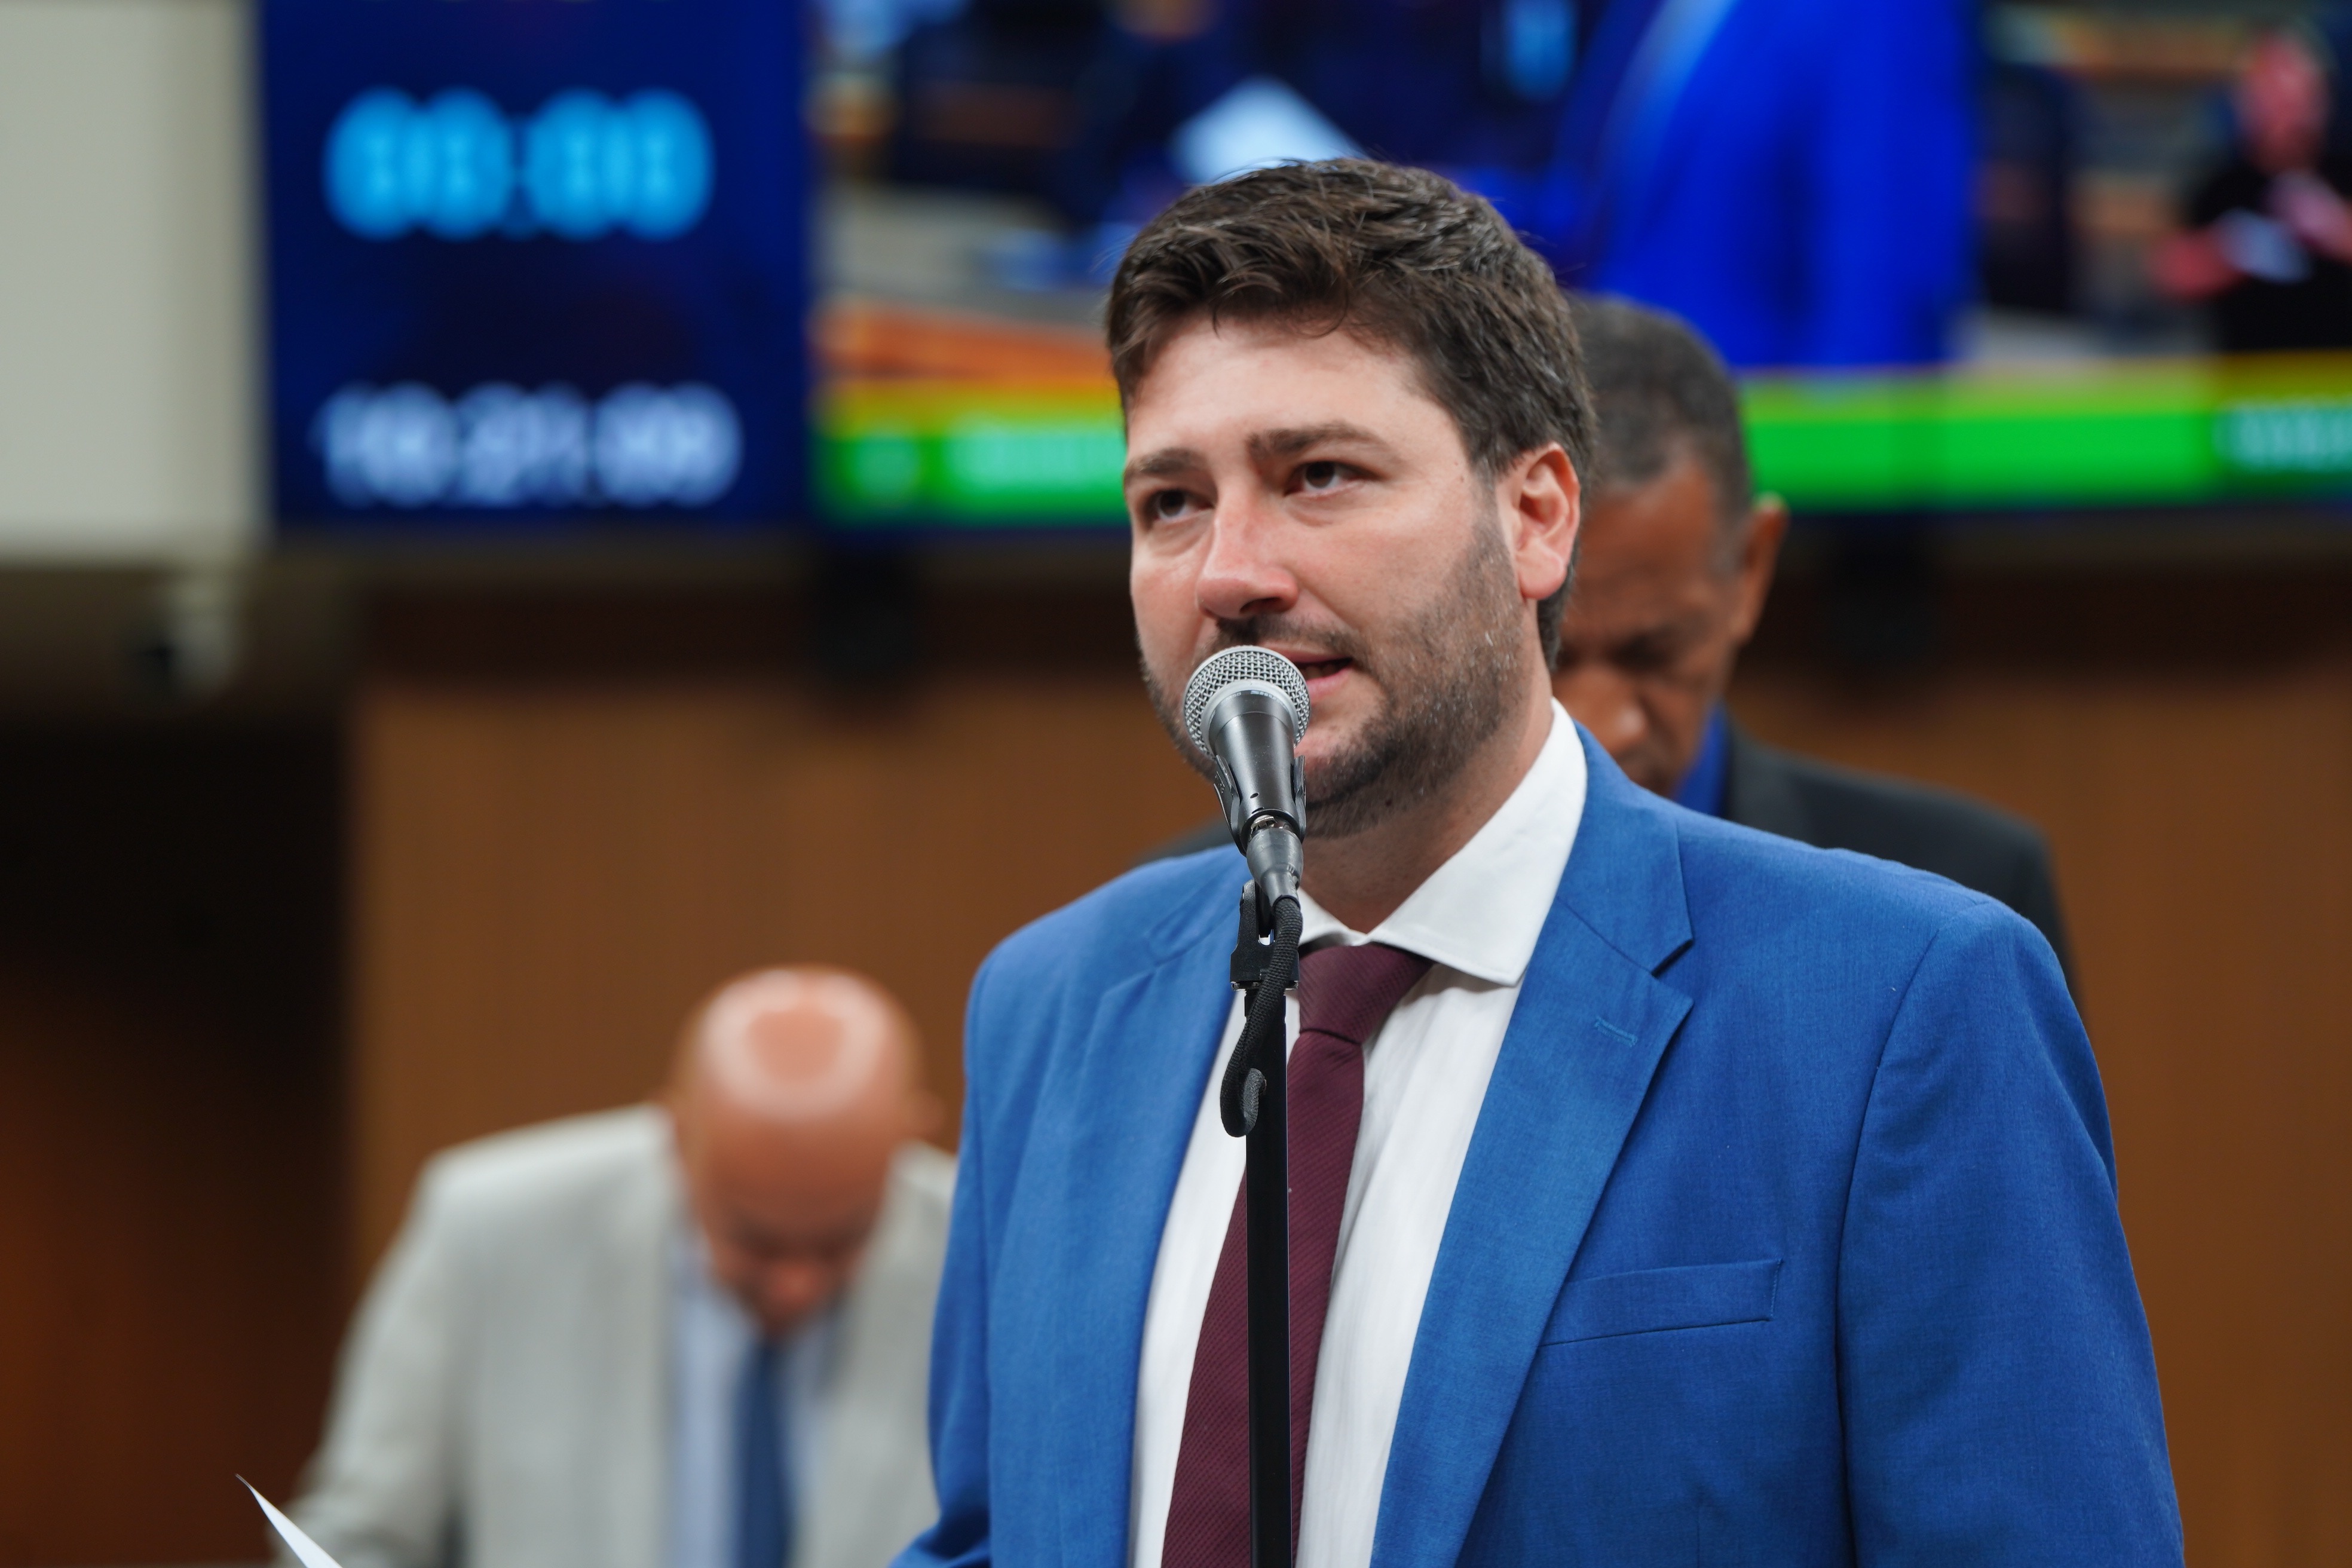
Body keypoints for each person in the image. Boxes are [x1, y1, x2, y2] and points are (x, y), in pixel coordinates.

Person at [901, 161, 2179, 1567]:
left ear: (1537, 515)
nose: (1229, 571)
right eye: (1171, 500)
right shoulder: (1051, 1003)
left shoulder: (1901, 1007)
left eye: (1319, 475)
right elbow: (993, 1537)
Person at [292, 967, 953, 1568]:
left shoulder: (977, 1252)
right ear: (677, 1135)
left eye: (841, 1239)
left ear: (911, 1138)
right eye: (755, 1240)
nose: (795, 1284)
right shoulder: (493, 1232)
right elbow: (356, 1541)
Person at [1556, 294, 2074, 974]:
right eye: (1548, 656)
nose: (1601, 726)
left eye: (1654, 653)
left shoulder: (1967, 909)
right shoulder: (1403, 894)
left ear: (1751, 567)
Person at [2152, 25, 2352, 352]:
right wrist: (2229, 251)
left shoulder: (2342, 174)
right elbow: (2170, 274)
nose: (2286, 114)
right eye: (2272, 97)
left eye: (2295, 98)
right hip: (2248, 370)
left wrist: (2336, 228)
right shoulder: (2222, 185)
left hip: (2336, 370)